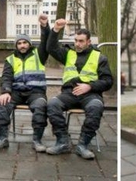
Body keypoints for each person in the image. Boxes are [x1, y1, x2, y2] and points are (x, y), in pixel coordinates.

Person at [45, 19, 113, 159]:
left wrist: (90, 86)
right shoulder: (68, 53)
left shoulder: (100, 57)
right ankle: (63, 141)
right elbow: (50, 48)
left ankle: (83, 144)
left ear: (89, 42)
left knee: (95, 107)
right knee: (52, 104)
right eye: (76, 40)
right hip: (69, 93)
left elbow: (108, 81)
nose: (77, 44)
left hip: (90, 95)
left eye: (81, 41)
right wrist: (56, 29)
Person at [0, 14, 51, 151]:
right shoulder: (10, 59)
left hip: (36, 92)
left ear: (29, 44)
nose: (22, 45)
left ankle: (37, 140)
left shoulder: (39, 54)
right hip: (16, 92)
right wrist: (6, 92)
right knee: (2, 104)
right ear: (16, 45)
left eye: (25, 42)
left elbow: (46, 40)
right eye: (19, 43)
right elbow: (6, 76)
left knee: (41, 107)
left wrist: (44, 26)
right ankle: (2, 138)